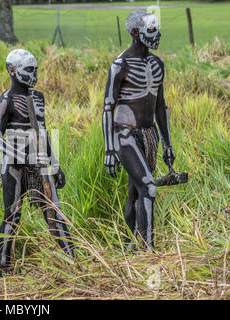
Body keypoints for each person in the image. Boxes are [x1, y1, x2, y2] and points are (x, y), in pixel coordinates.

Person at [0, 49, 75, 274]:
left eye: (36, 69)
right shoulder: (6, 100)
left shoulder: (38, 97)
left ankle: (73, 264)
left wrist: (55, 165)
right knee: (12, 216)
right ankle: (4, 267)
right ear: (12, 70)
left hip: (39, 164)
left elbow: (43, 132)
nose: (34, 74)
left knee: (54, 212)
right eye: (29, 69)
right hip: (14, 167)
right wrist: (17, 156)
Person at [102, 10, 176, 251]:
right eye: (151, 30)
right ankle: (149, 250)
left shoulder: (158, 64)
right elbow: (107, 109)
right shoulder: (119, 66)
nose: (157, 35)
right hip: (125, 135)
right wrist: (109, 149)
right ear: (135, 33)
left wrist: (167, 144)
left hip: (149, 135)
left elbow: (161, 107)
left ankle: (130, 244)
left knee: (136, 193)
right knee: (149, 187)